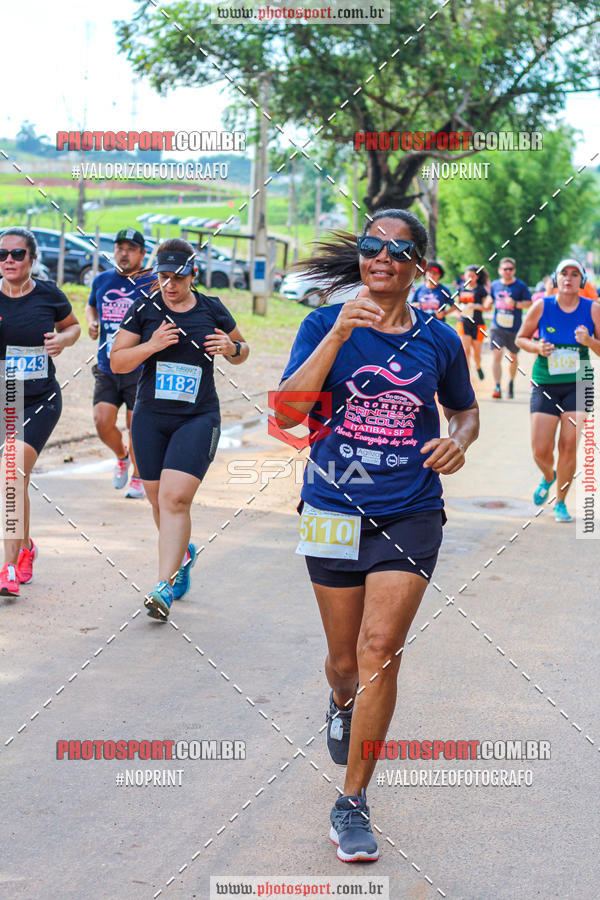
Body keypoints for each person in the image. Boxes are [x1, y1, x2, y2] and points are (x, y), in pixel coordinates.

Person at [275, 209, 479, 862]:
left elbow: (465, 411)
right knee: (344, 664)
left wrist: (458, 441)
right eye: (371, 247)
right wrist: (336, 334)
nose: (381, 256)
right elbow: (287, 413)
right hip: (333, 507)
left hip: (410, 510)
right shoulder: (320, 324)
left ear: (419, 263)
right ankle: (339, 701)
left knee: (380, 649)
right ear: (360, 258)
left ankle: (352, 801)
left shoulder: (439, 340)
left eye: (398, 249)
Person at [110, 238, 249, 619]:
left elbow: (242, 350)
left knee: (175, 499)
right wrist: (151, 346)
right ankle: (182, 553)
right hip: (151, 419)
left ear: (194, 275)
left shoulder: (211, 309)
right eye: (163, 276)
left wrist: (232, 348)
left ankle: (162, 587)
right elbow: (117, 362)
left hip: (197, 417)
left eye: (178, 277)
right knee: (158, 501)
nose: (170, 284)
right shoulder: (145, 309)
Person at [0, 227, 80, 596]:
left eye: (17, 254)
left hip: (39, 401)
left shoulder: (49, 294)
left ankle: (7, 570)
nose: (9, 261)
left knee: (11, 477)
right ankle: (26, 547)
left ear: (32, 259)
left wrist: (62, 340)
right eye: (2, 255)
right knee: (14, 481)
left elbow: (73, 327)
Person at [516, 258, 600, 522]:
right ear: (556, 278)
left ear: (581, 281)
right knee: (540, 449)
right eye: (564, 273)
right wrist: (538, 348)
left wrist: (589, 341)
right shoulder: (543, 306)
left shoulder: (593, 308)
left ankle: (561, 502)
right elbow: (521, 338)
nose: (569, 278)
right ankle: (549, 476)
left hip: (578, 384)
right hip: (545, 383)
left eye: (575, 274)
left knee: (568, 446)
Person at [86, 229, 154, 499]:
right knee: (102, 421)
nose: (124, 253)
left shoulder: (151, 282)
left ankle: (138, 476)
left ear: (142, 253)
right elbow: (92, 305)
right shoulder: (102, 279)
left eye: (131, 248)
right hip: (107, 366)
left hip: (138, 368)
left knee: (134, 427)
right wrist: (92, 321)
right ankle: (121, 455)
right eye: (119, 247)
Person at [489, 257, 531, 399]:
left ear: (514, 270)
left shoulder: (521, 286)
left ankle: (511, 382)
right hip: (497, 326)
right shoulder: (495, 285)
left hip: (514, 328)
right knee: (497, 354)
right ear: (500, 270)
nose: (508, 271)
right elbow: (490, 300)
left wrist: (515, 304)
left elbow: (528, 303)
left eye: (510, 269)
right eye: (505, 269)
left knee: (513, 357)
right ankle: (497, 386)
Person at [456, 265, 490, 380]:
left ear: (477, 277)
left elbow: (488, 307)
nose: (470, 277)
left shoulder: (481, 290)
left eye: (473, 275)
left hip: (478, 324)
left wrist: (476, 306)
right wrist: (460, 309)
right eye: (468, 275)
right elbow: (456, 305)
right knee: (465, 351)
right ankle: (466, 377)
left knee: (476, 354)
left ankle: (478, 366)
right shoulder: (460, 288)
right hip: (464, 322)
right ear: (464, 276)